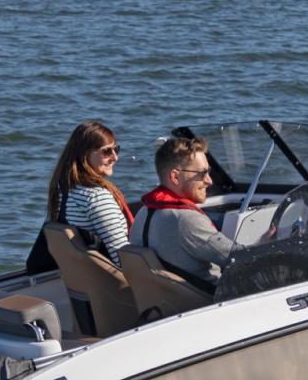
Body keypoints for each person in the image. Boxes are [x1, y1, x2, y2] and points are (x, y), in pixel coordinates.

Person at [128, 135, 235, 291]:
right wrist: (266, 243)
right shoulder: (187, 220)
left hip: (167, 300)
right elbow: (240, 258)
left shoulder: (143, 213)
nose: (209, 180)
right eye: (202, 173)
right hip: (211, 299)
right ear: (175, 177)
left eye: (209, 172)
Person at [44, 120, 133, 266]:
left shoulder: (63, 189)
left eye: (116, 149)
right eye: (106, 151)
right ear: (85, 155)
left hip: (82, 274)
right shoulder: (97, 197)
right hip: (109, 278)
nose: (115, 157)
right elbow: (123, 259)